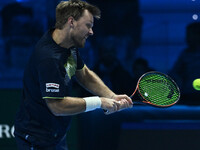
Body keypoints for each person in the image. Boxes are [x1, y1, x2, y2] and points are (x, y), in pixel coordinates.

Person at [14, 0, 133, 150]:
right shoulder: (49, 58)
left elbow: (83, 74)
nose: (91, 32)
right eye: (88, 25)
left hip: (56, 136)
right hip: (36, 141)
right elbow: (57, 106)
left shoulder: (68, 44)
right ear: (71, 22)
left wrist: (111, 96)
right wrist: (99, 102)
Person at [169, 22, 200, 105]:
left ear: (198, 36)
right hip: (187, 96)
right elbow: (173, 73)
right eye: (187, 35)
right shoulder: (184, 54)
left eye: (190, 35)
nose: (187, 38)